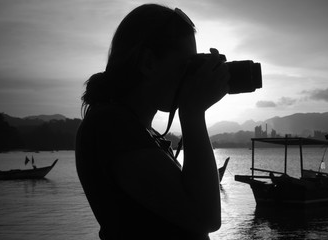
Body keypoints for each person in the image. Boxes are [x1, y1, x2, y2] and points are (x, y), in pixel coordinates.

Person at [75, 4, 229, 240]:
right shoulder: (111, 126)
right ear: (148, 62)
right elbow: (205, 217)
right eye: (186, 65)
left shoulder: (137, 129)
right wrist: (193, 113)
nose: (191, 76)